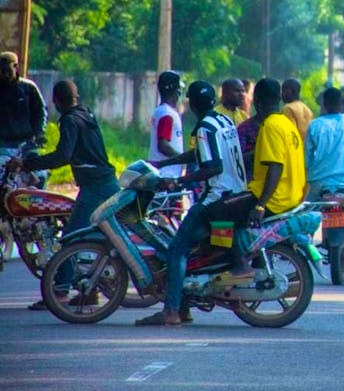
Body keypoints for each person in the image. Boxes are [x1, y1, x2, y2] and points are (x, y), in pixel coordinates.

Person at [136, 81, 250, 326]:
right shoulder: (224, 121)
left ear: (192, 103)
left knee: (177, 248)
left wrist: (179, 181)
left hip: (217, 199)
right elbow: (202, 154)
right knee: (198, 247)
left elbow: (212, 167)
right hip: (235, 195)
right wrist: (165, 164)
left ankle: (172, 310)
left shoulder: (204, 128)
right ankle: (186, 304)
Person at [17, 80, 117, 310]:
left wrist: (28, 164)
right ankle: (90, 290)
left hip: (95, 187)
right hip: (104, 182)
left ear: (56, 102)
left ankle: (60, 291)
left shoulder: (70, 121)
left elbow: (63, 155)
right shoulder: (86, 113)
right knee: (89, 238)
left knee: (71, 237)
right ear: (77, 97)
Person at [246, 78, 306, 231]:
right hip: (293, 196)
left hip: (275, 199)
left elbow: (276, 166)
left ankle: (236, 254)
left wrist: (260, 205)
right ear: (279, 99)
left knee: (210, 213)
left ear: (257, 102)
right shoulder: (286, 124)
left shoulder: (270, 125)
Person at [304, 87, 344, 199]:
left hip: (319, 184)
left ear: (324, 104)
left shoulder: (314, 125)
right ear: (342, 102)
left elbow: (306, 159)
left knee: (309, 213)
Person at [0, 51, 46, 150]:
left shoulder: (29, 87)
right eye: (2, 71)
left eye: (8, 71)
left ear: (16, 67)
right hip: (2, 144)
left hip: (26, 142)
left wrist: (39, 133)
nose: (5, 75)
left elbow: (40, 112)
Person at [148, 71, 185, 178]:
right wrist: (183, 158)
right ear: (176, 91)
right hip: (167, 174)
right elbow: (163, 146)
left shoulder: (160, 111)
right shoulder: (167, 115)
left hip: (164, 172)